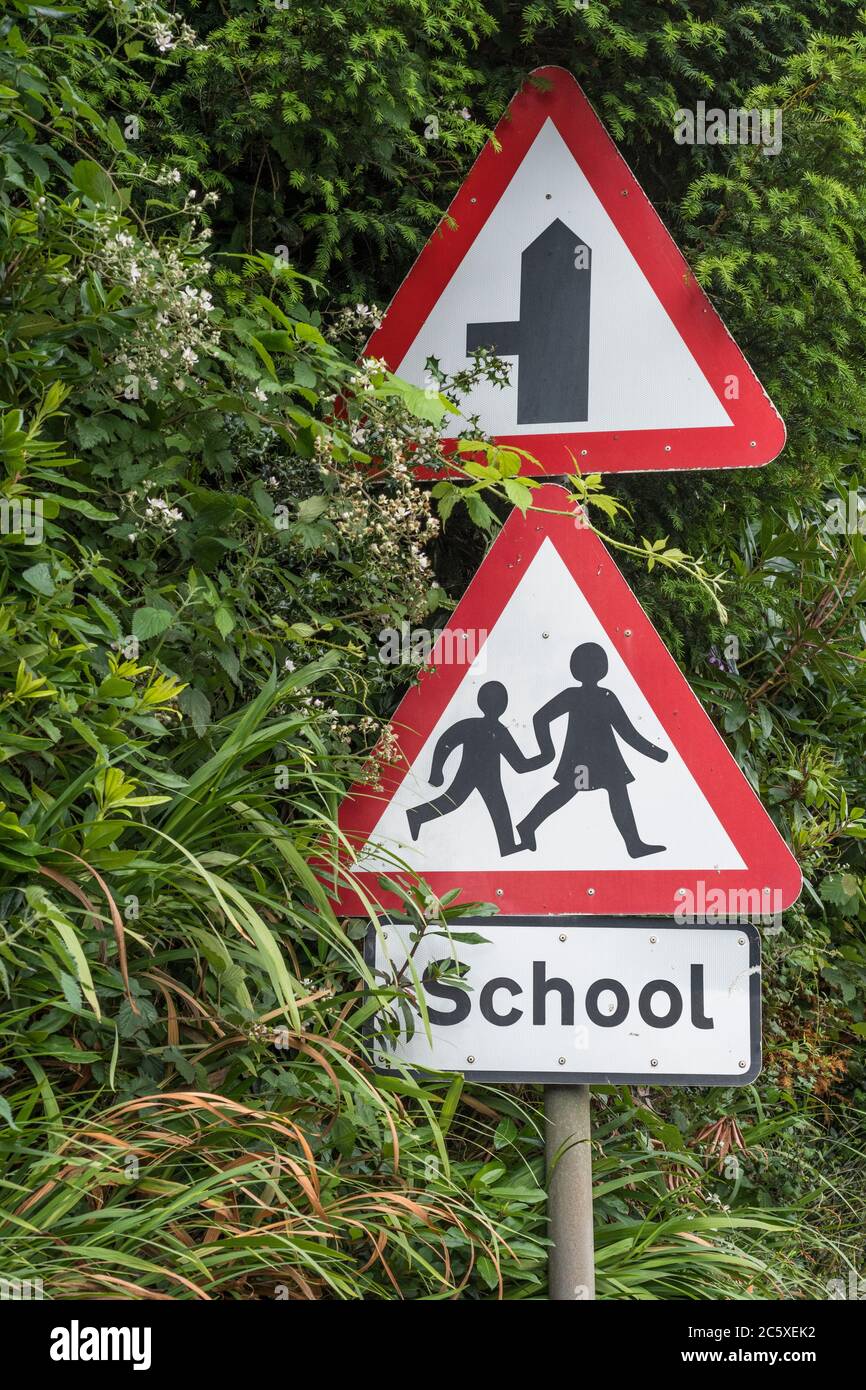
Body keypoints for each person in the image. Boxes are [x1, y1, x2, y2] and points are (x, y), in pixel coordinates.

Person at [516, 642, 668, 857]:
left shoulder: (601, 696)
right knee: (569, 791)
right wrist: (547, 752)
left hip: (605, 758)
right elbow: (540, 718)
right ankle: (528, 825)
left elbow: (628, 733)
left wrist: (656, 753)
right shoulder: (583, 695)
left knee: (612, 791)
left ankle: (633, 845)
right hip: (584, 758)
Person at [406, 680, 546, 856]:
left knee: (493, 808)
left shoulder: (484, 727)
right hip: (472, 775)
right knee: (456, 802)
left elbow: (446, 743)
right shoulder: (490, 728)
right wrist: (436, 772)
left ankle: (508, 845)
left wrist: (437, 771)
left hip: (487, 777)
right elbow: (446, 742)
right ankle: (416, 814)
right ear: (504, 705)